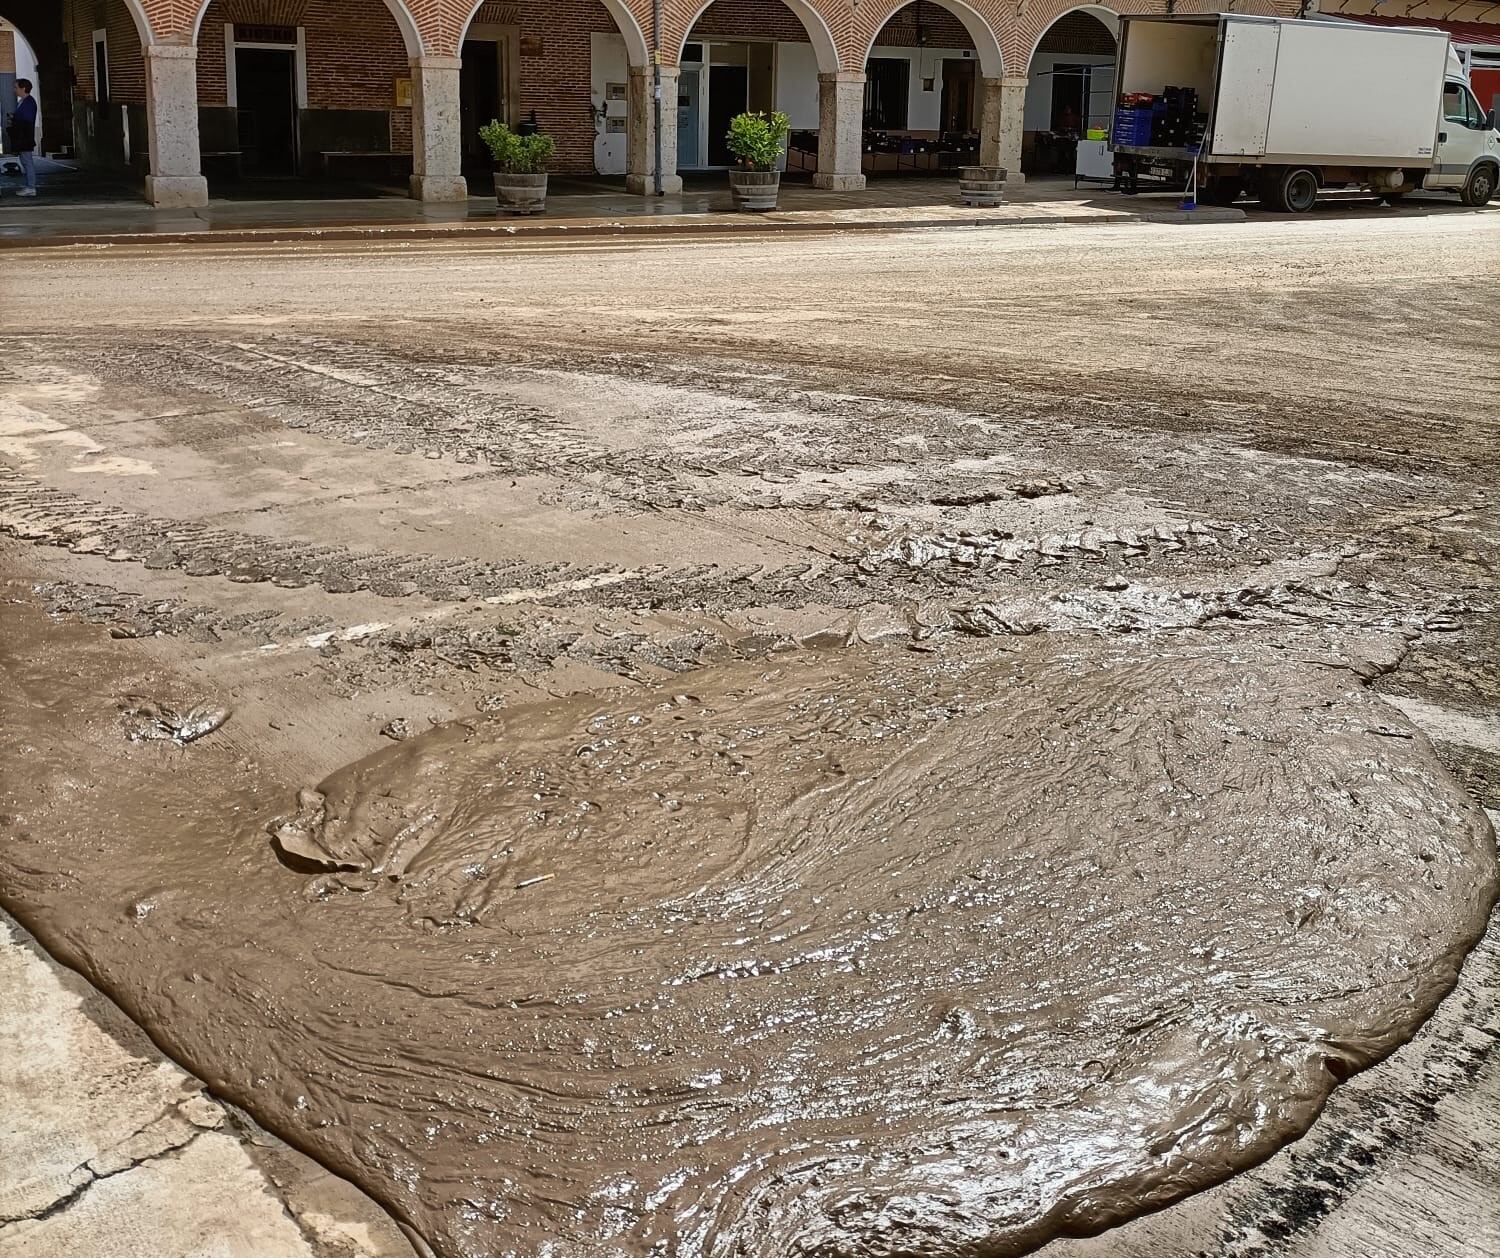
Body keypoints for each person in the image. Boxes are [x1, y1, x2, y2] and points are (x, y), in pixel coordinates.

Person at [9, 79, 38, 198]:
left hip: (25, 137)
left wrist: (14, 119)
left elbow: (26, 120)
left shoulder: (29, 102)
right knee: (25, 161)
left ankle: (31, 187)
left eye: (16, 87)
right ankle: (29, 186)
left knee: (27, 162)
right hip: (22, 136)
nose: (14, 90)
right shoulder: (23, 101)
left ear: (23, 88)